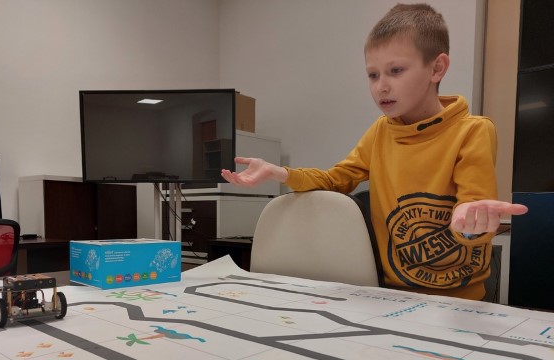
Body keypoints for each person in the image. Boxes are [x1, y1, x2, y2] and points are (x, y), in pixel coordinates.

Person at [221, 3, 528, 301]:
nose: (381, 86)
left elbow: (475, 211)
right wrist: (280, 172)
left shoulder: (473, 131)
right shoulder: (381, 131)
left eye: (396, 70)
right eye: (373, 75)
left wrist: (471, 223)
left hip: (460, 300)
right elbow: (335, 180)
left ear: (437, 68)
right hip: (393, 296)